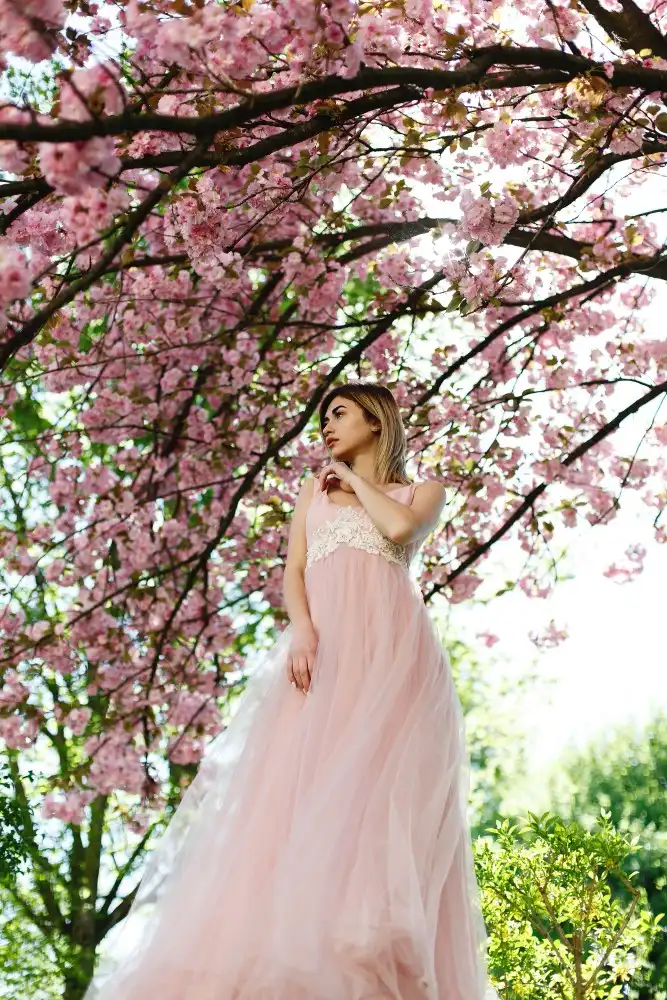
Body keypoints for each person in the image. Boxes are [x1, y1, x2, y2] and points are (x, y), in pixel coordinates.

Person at [83, 381, 494, 1000]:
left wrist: (351, 479)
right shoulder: (311, 492)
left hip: (394, 661)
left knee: (380, 798)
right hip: (323, 657)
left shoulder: (422, 492)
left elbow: (401, 529)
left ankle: (371, 940)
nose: (326, 426)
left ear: (376, 421)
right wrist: (302, 632)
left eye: (340, 413)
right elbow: (294, 571)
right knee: (294, 794)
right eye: (324, 417)